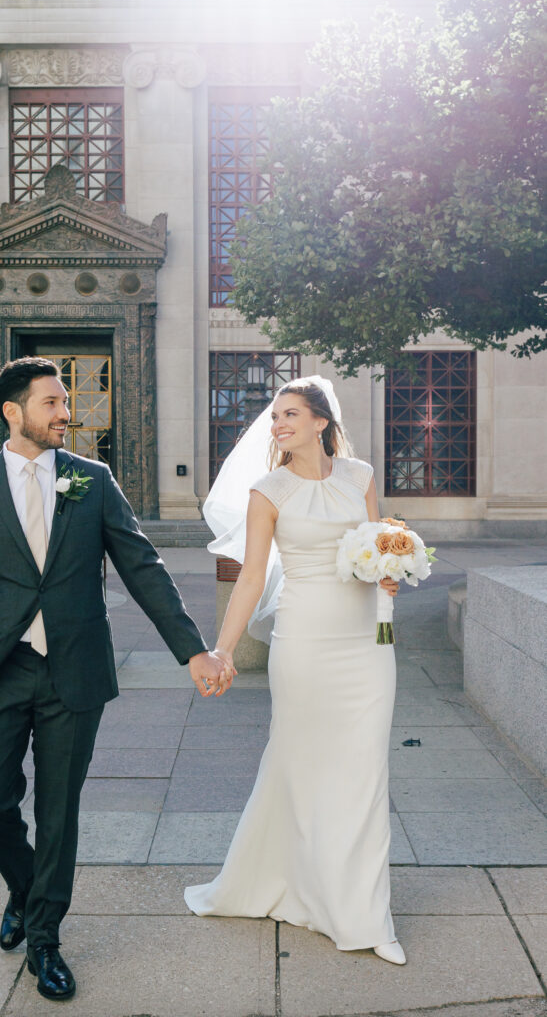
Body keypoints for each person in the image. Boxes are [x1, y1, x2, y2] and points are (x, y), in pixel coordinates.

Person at [0, 357, 229, 1001]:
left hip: (75, 672)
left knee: (59, 810)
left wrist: (191, 650)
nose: (67, 412)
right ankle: (26, 890)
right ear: (14, 412)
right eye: (53, 403)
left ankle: (45, 940)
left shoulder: (92, 480)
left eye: (66, 401)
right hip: (1, 670)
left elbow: (144, 567)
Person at [184, 375, 406, 966]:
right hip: (304, 642)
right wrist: (223, 651)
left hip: (367, 642)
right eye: (275, 415)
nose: (277, 424)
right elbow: (253, 576)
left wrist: (389, 570)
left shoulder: (360, 477)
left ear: (320, 423)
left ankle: (364, 914)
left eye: (289, 414)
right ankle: (291, 881)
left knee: (364, 773)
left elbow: (373, 544)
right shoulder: (269, 490)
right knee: (299, 765)